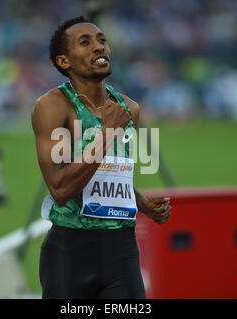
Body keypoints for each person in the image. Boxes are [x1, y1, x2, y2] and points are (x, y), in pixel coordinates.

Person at [32, 16, 172, 299]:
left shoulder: (128, 108)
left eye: (102, 41)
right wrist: (107, 133)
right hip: (70, 253)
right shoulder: (53, 106)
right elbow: (60, 189)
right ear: (64, 61)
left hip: (121, 251)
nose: (99, 47)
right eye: (85, 43)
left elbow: (108, 175)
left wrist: (142, 202)